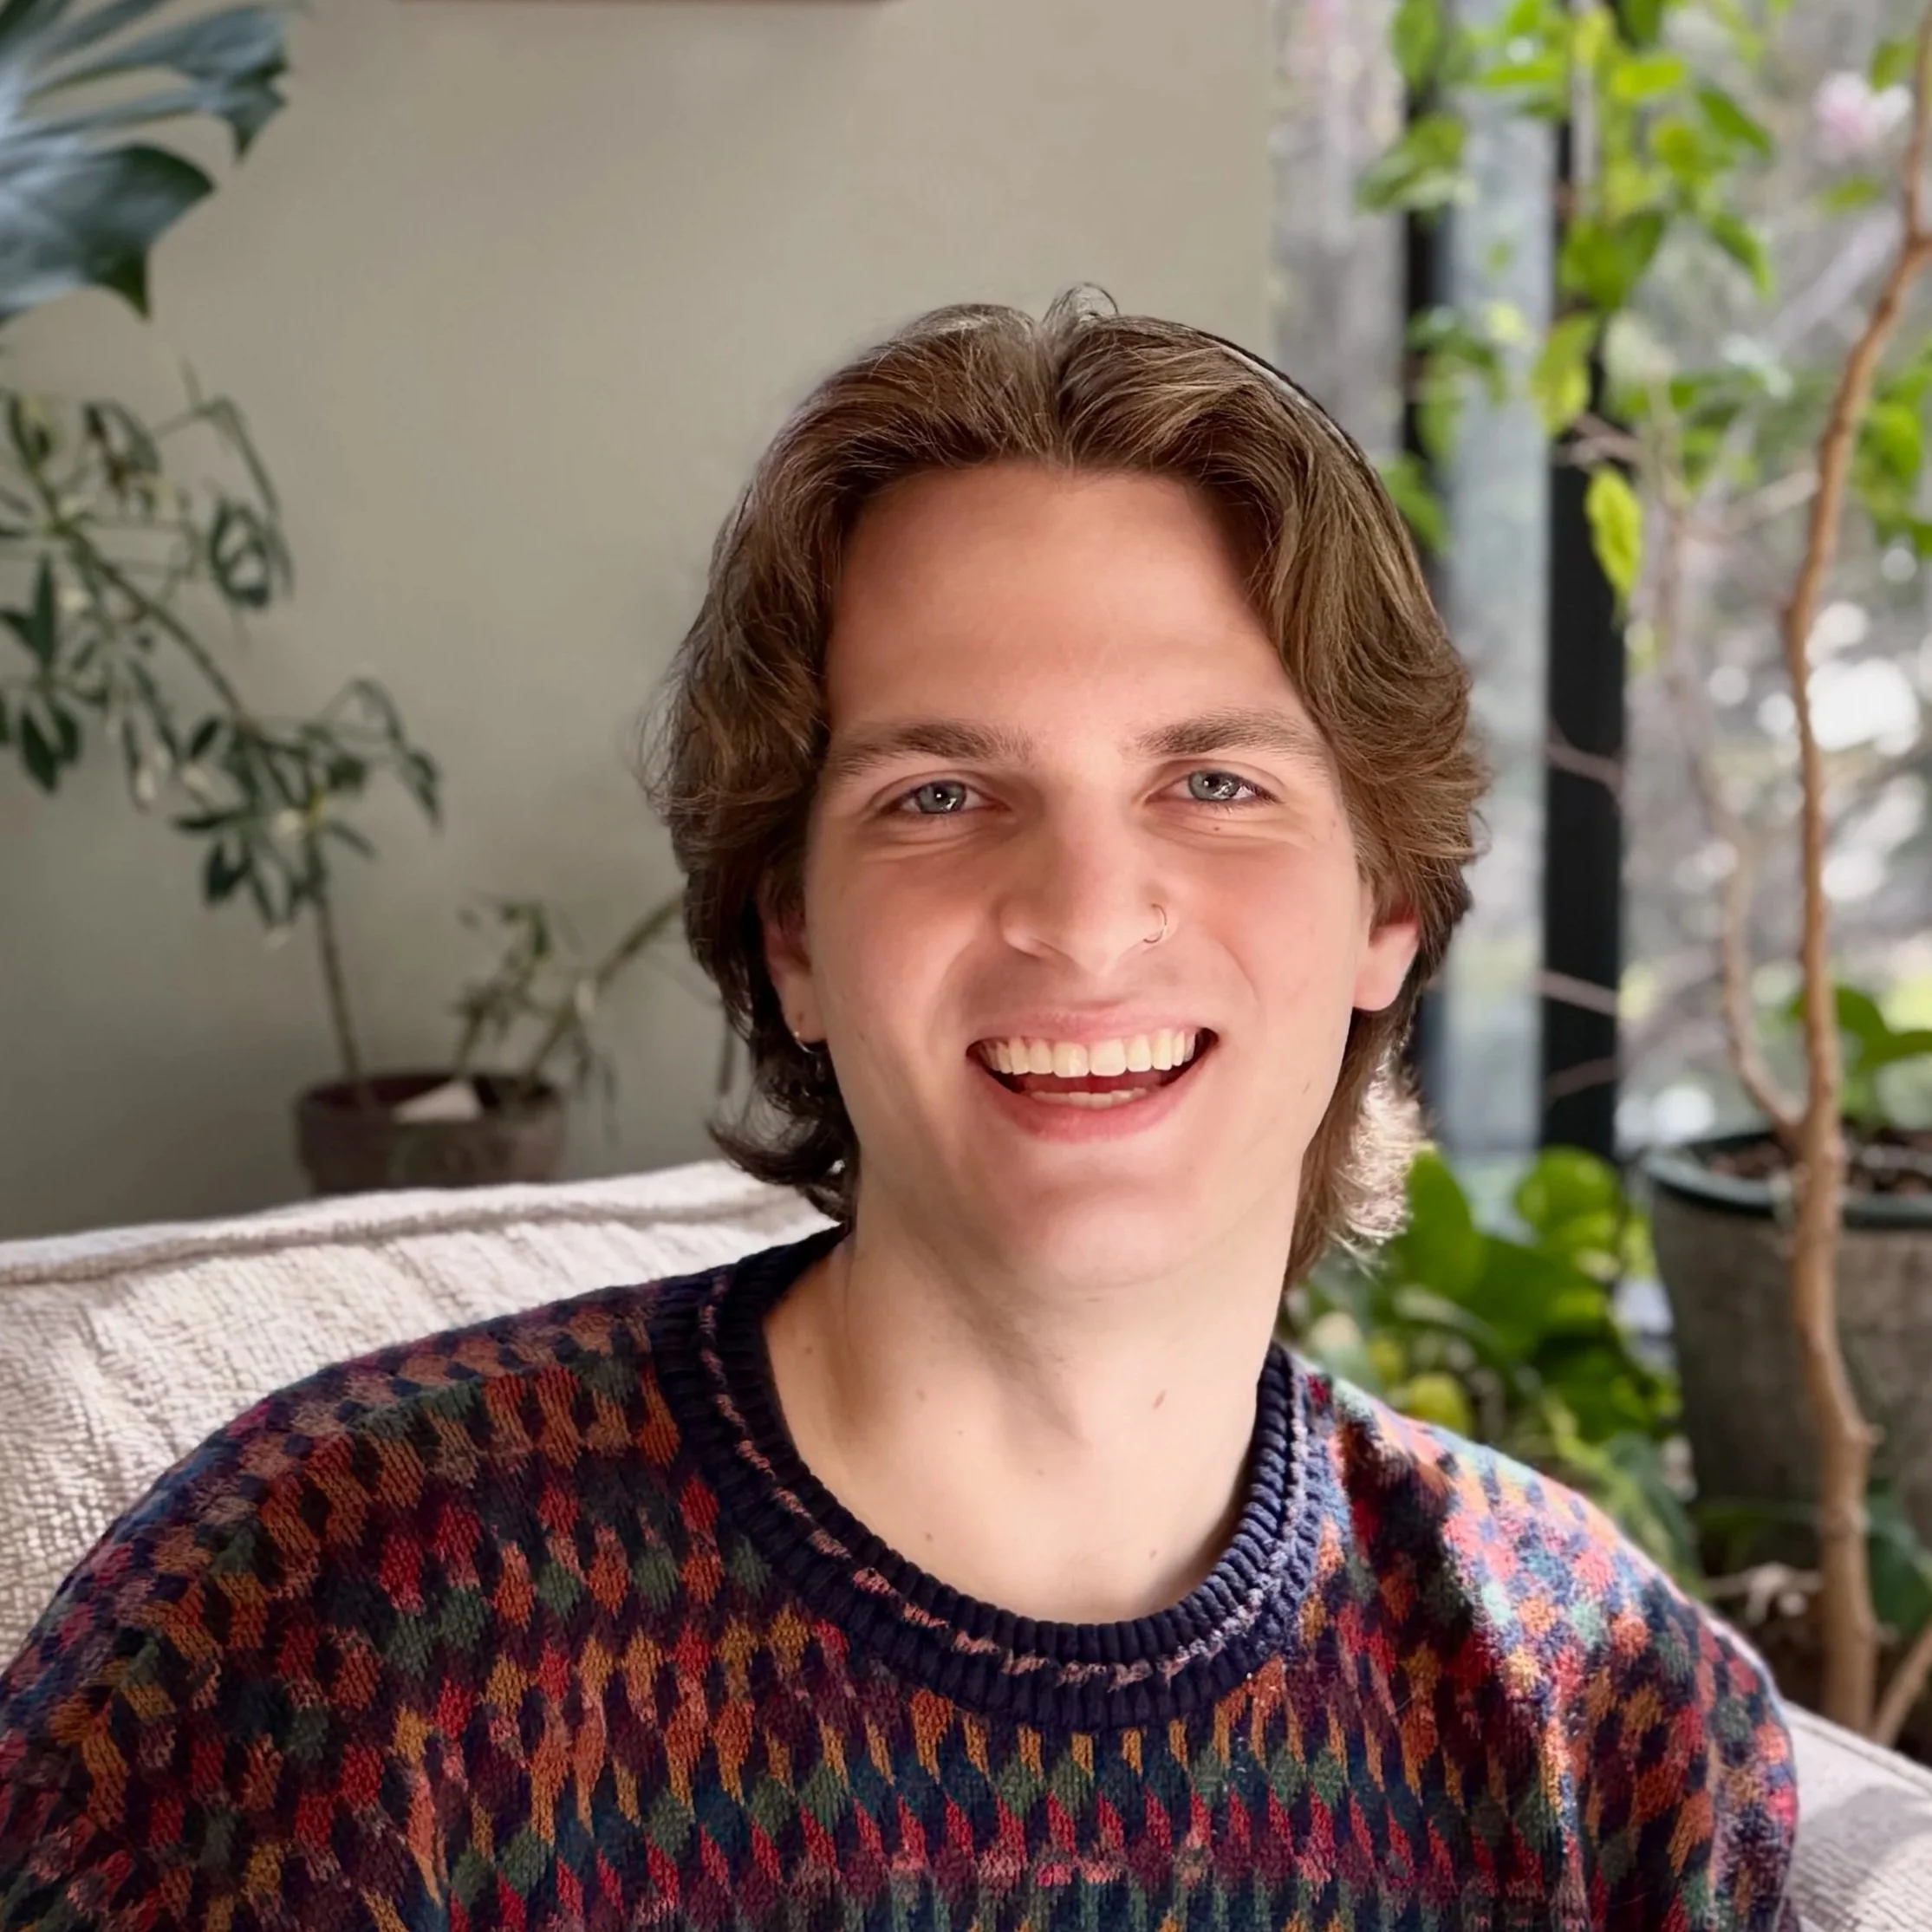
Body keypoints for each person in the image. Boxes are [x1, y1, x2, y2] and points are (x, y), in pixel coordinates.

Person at [0, 290, 1799, 1929]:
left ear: (1383, 911)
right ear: (790, 936)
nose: (1086, 915)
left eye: (1213, 780)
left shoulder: (1596, 1717)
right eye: (940, 794)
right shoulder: (334, 1620)